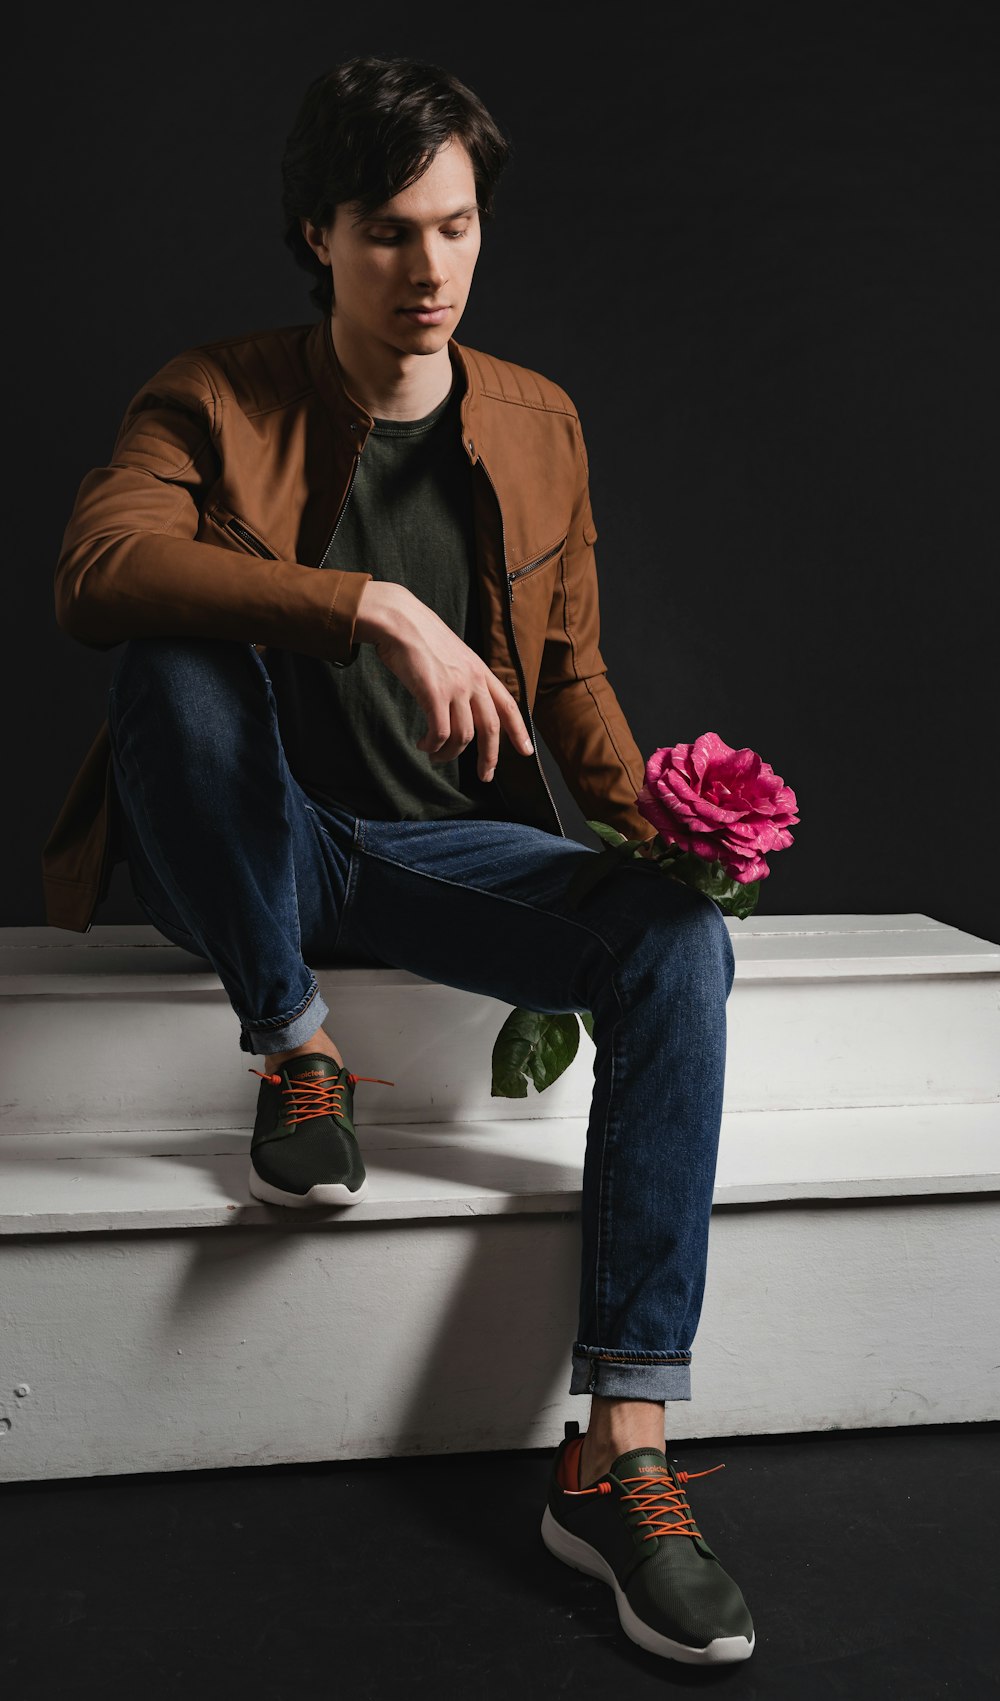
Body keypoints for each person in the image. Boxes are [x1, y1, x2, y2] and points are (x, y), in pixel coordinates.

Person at [42, 56, 754, 1665]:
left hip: (450, 856)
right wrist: (368, 601)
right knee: (165, 656)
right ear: (319, 231)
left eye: (456, 227)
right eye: (386, 233)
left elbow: (569, 679)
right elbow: (99, 568)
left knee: (674, 945)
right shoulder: (208, 396)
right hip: (259, 845)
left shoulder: (540, 422)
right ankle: (296, 1047)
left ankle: (621, 1449)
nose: (427, 270)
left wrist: (679, 834)